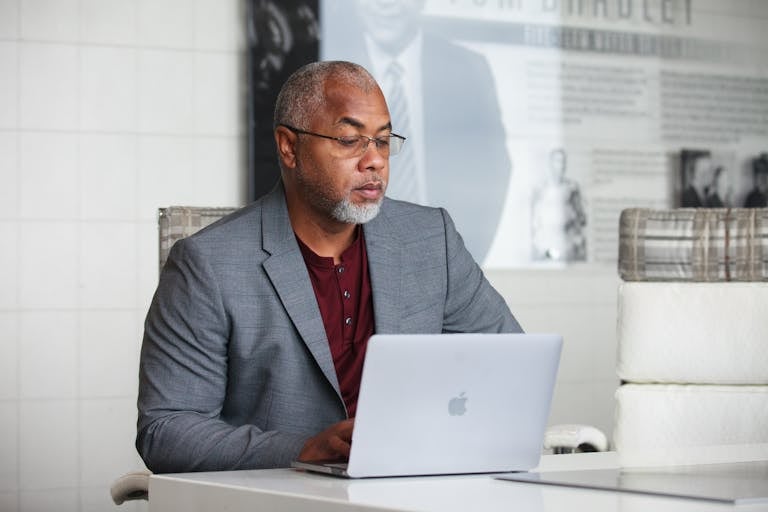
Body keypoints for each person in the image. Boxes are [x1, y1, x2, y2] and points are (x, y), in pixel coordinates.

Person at [136, 61, 523, 473]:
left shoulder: (430, 238)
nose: (374, 161)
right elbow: (166, 430)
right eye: (349, 139)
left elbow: (510, 364)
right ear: (289, 146)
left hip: (413, 483)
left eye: (383, 140)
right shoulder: (208, 264)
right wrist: (304, 449)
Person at [322, 0, 511, 265]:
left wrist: (461, 264)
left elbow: (493, 172)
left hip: (439, 264)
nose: (386, 5)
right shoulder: (321, 72)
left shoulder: (468, 69)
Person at [531, 149, 587, 261]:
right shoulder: (540, 188)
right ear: (550, 163)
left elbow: (581, 218)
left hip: (567, 245)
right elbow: (533, 220)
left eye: (563, 161)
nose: (561, 165)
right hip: (544, 244)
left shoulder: (572, 188)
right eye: (558, 161)